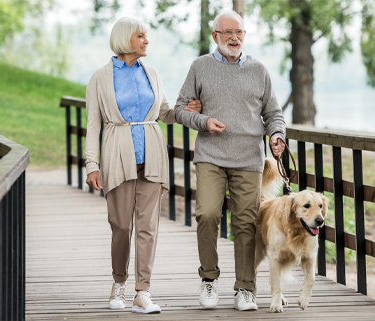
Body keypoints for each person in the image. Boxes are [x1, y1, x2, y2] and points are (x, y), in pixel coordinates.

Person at [84, 17, 201, 314]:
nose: (146, 41)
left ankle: (142, 292)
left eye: (146, 36)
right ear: (126, 39)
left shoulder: (152, 73)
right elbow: (92, 125)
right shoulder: (100, 77)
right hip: (116, 155)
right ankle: (119, 284)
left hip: (152, 153)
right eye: (141, 36)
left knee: (148, 227)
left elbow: (163, 113)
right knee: (121, 225)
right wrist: (91, 165)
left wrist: (185, 110)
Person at [174, 10, 286, 311]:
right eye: (227, 33)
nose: (234, 38)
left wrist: (277, 135)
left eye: (239, 32)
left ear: (244, 35)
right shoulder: (200, 66)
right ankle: (209, 280)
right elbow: (180, 110)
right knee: (208, 214)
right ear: (215, 36)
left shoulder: (259, 70)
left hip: (249, 158)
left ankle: (245, 289)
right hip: (211, 155)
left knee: (246, 223)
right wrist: (204, 121)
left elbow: (273, 113)